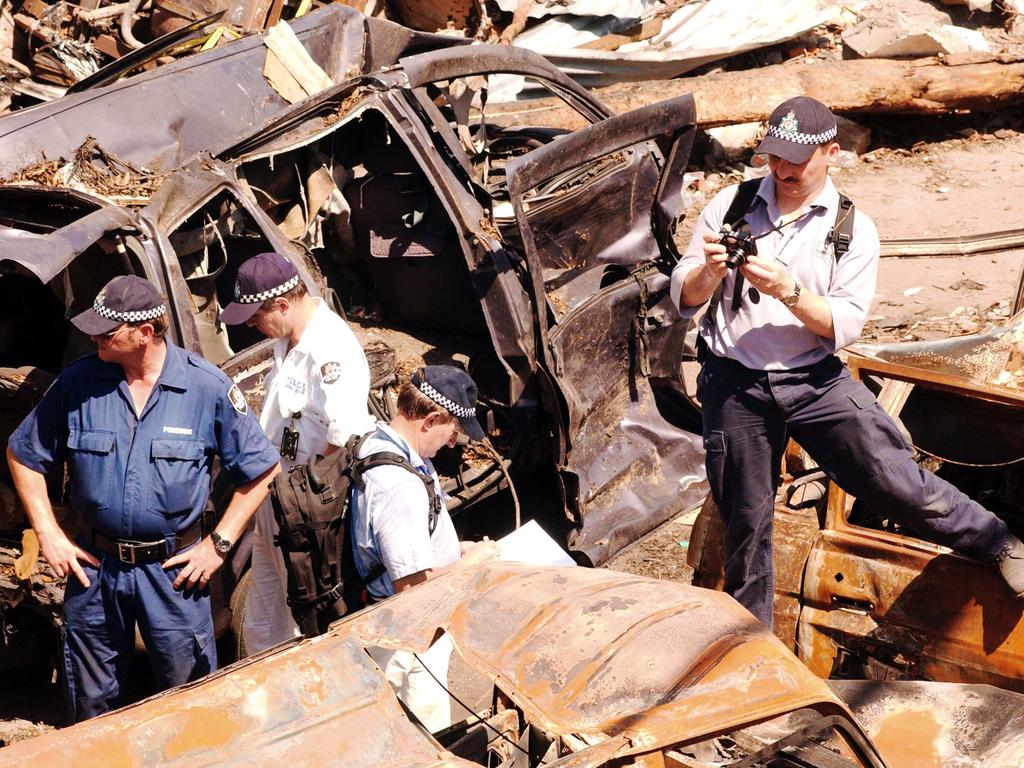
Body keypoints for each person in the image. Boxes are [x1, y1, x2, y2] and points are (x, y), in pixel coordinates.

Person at [671, 95, 1024, 627]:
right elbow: (685, 296)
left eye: (797, 159)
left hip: (814, 381)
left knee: (895, 478)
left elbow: (842, 326)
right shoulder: (730, 205)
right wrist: (711, 273)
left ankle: (999, 543)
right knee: (745, 522)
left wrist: (788, 291)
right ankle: (759, 654)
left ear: (831, 153)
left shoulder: (854, 230)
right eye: (774, 157)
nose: (783, 170)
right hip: (735, 383)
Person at [6, 275, 280, 721]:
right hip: (94, 568)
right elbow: (23, 454)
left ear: (145, 333)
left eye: (107, 332)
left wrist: (219, 545)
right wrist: (48, 533)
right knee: (90, 704)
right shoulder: (80, 382)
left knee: (189, 699)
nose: (94, 337)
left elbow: (262, 470)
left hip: (173, 575)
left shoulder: (204, 387)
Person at [219, 252, 374, 654]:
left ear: (283, 304)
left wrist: (303, 496)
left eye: (255, 315)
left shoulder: (330, 350)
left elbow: (343, 438)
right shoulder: (287, 341)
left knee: (307, 622)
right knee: (265, 615)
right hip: (277, 503)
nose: (251, 325)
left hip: (304, 514)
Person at [349, 365, 485, 732]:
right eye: (453, 429)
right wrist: (474, 564)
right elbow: (410, 588)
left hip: (415, 630)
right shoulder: (397, 485)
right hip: (406, 637)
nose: (454, 441)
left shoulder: (390, 444)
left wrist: (455, 549)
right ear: (431, 419)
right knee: (419, 734)